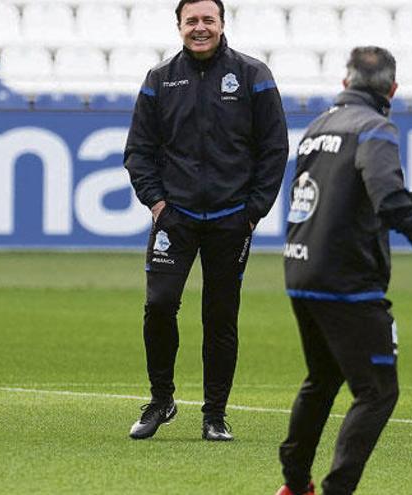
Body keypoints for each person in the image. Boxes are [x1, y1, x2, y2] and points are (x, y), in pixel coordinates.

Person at [276, 46, 412, 495]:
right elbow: (385, 202)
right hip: (347, 281)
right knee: (376, 392)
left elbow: (338, 197)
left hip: (301, 270)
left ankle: (294, 484)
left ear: (345, 82)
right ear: (392, 89)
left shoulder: (317, 129)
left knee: (323, 378)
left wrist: (408, 201)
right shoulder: (376, 128)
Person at [124, 0, 289, 441]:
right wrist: (158, 205)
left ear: (222, 24)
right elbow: (138, 151)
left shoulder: (254, 75)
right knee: (159, 306)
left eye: (207, 20)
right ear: (178, 26)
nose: (200, 28)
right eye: (191, 21)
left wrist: (253, 212)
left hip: (230, 221)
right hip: (173, 219)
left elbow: (274, 150)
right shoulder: (160, 80)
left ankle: (214, 415)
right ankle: (161, 400)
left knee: (220, 317)